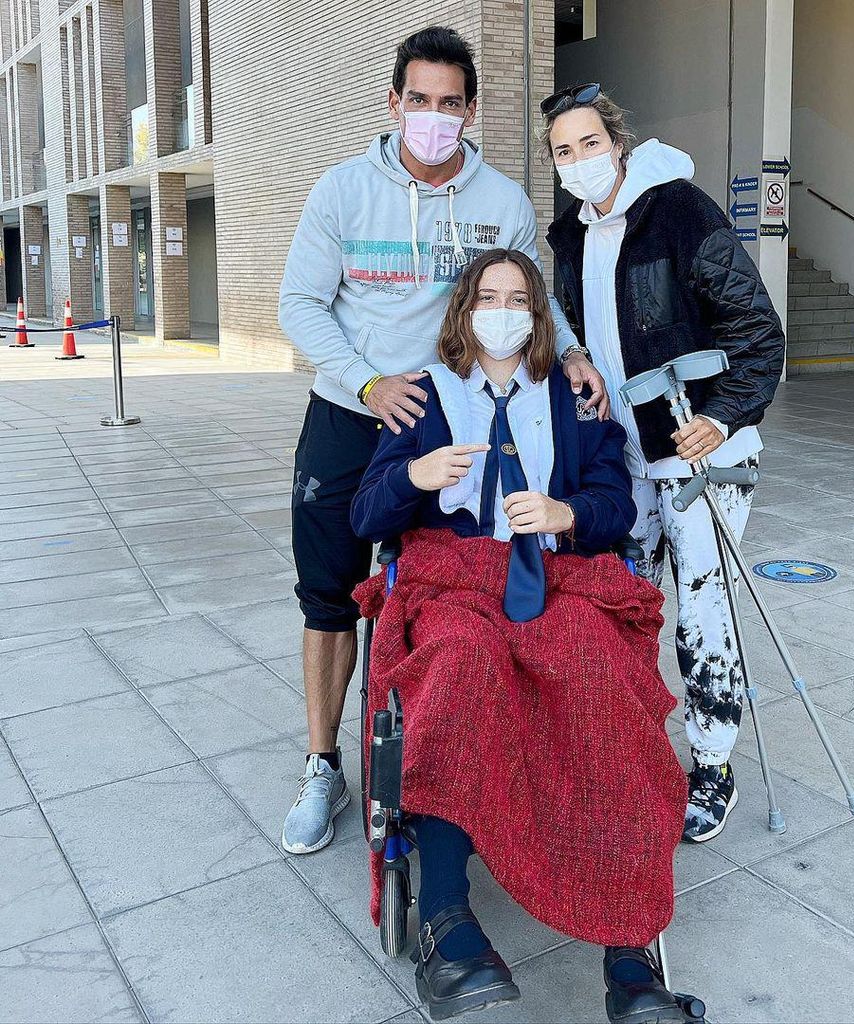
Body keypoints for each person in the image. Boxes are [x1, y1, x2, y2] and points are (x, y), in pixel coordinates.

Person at [276, 27, 603, 855]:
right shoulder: (343, 189)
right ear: (393, 103)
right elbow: (299, 305)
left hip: (449, 417)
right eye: (417, 100)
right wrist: (366, 382)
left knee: (431, 587)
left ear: (469, 110)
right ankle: (323, 764)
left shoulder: (502, 202)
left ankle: (426, 752)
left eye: (448, 103)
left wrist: (569, 354)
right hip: (355, 411)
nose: (432, 115)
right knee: (328, 594)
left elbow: (534, 297)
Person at [351, 249, 693, 1023]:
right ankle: (448, 922)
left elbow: (614, 500)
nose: (501, 312)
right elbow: (365, 516)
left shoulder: (572, 397)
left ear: (539, 317)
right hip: (453, 579)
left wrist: (570, 515)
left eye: (518, 300)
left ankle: (631, 956)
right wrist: (413, 478)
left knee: (597, 672)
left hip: (555, 572)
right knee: (464, 664)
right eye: (486, 297)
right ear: (463, 311)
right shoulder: (426, 399)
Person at [542, 84, 786, 843]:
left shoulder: (679, 210)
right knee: (627, 608)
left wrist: (720, 416)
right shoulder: (570, 235)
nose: (578, 160)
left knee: (704, 613)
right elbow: (579, 335)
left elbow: (758, 331)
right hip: (627, 458)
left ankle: (713, 764)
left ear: (616, 142)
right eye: (562, 151)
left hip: (700, 451)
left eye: (589, 143)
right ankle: (635, 747)